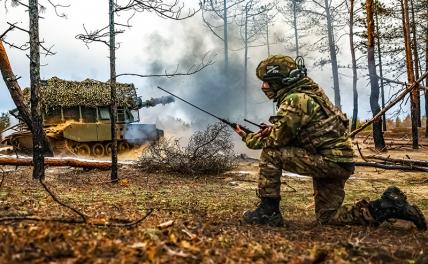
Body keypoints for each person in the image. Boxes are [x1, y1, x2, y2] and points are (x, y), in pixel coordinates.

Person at [234, 55, 427, 231]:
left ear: (282, 81)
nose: (263, 87)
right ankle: (387, 206)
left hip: (328, 161)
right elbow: (301, 131)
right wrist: (275, 130)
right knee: (328, 217)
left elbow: (276, 140)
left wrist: (248, 137)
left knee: (271, 153)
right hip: (337, 162)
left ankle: (269, 212)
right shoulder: (310, 94)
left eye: (268, 82)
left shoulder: (296, 99)